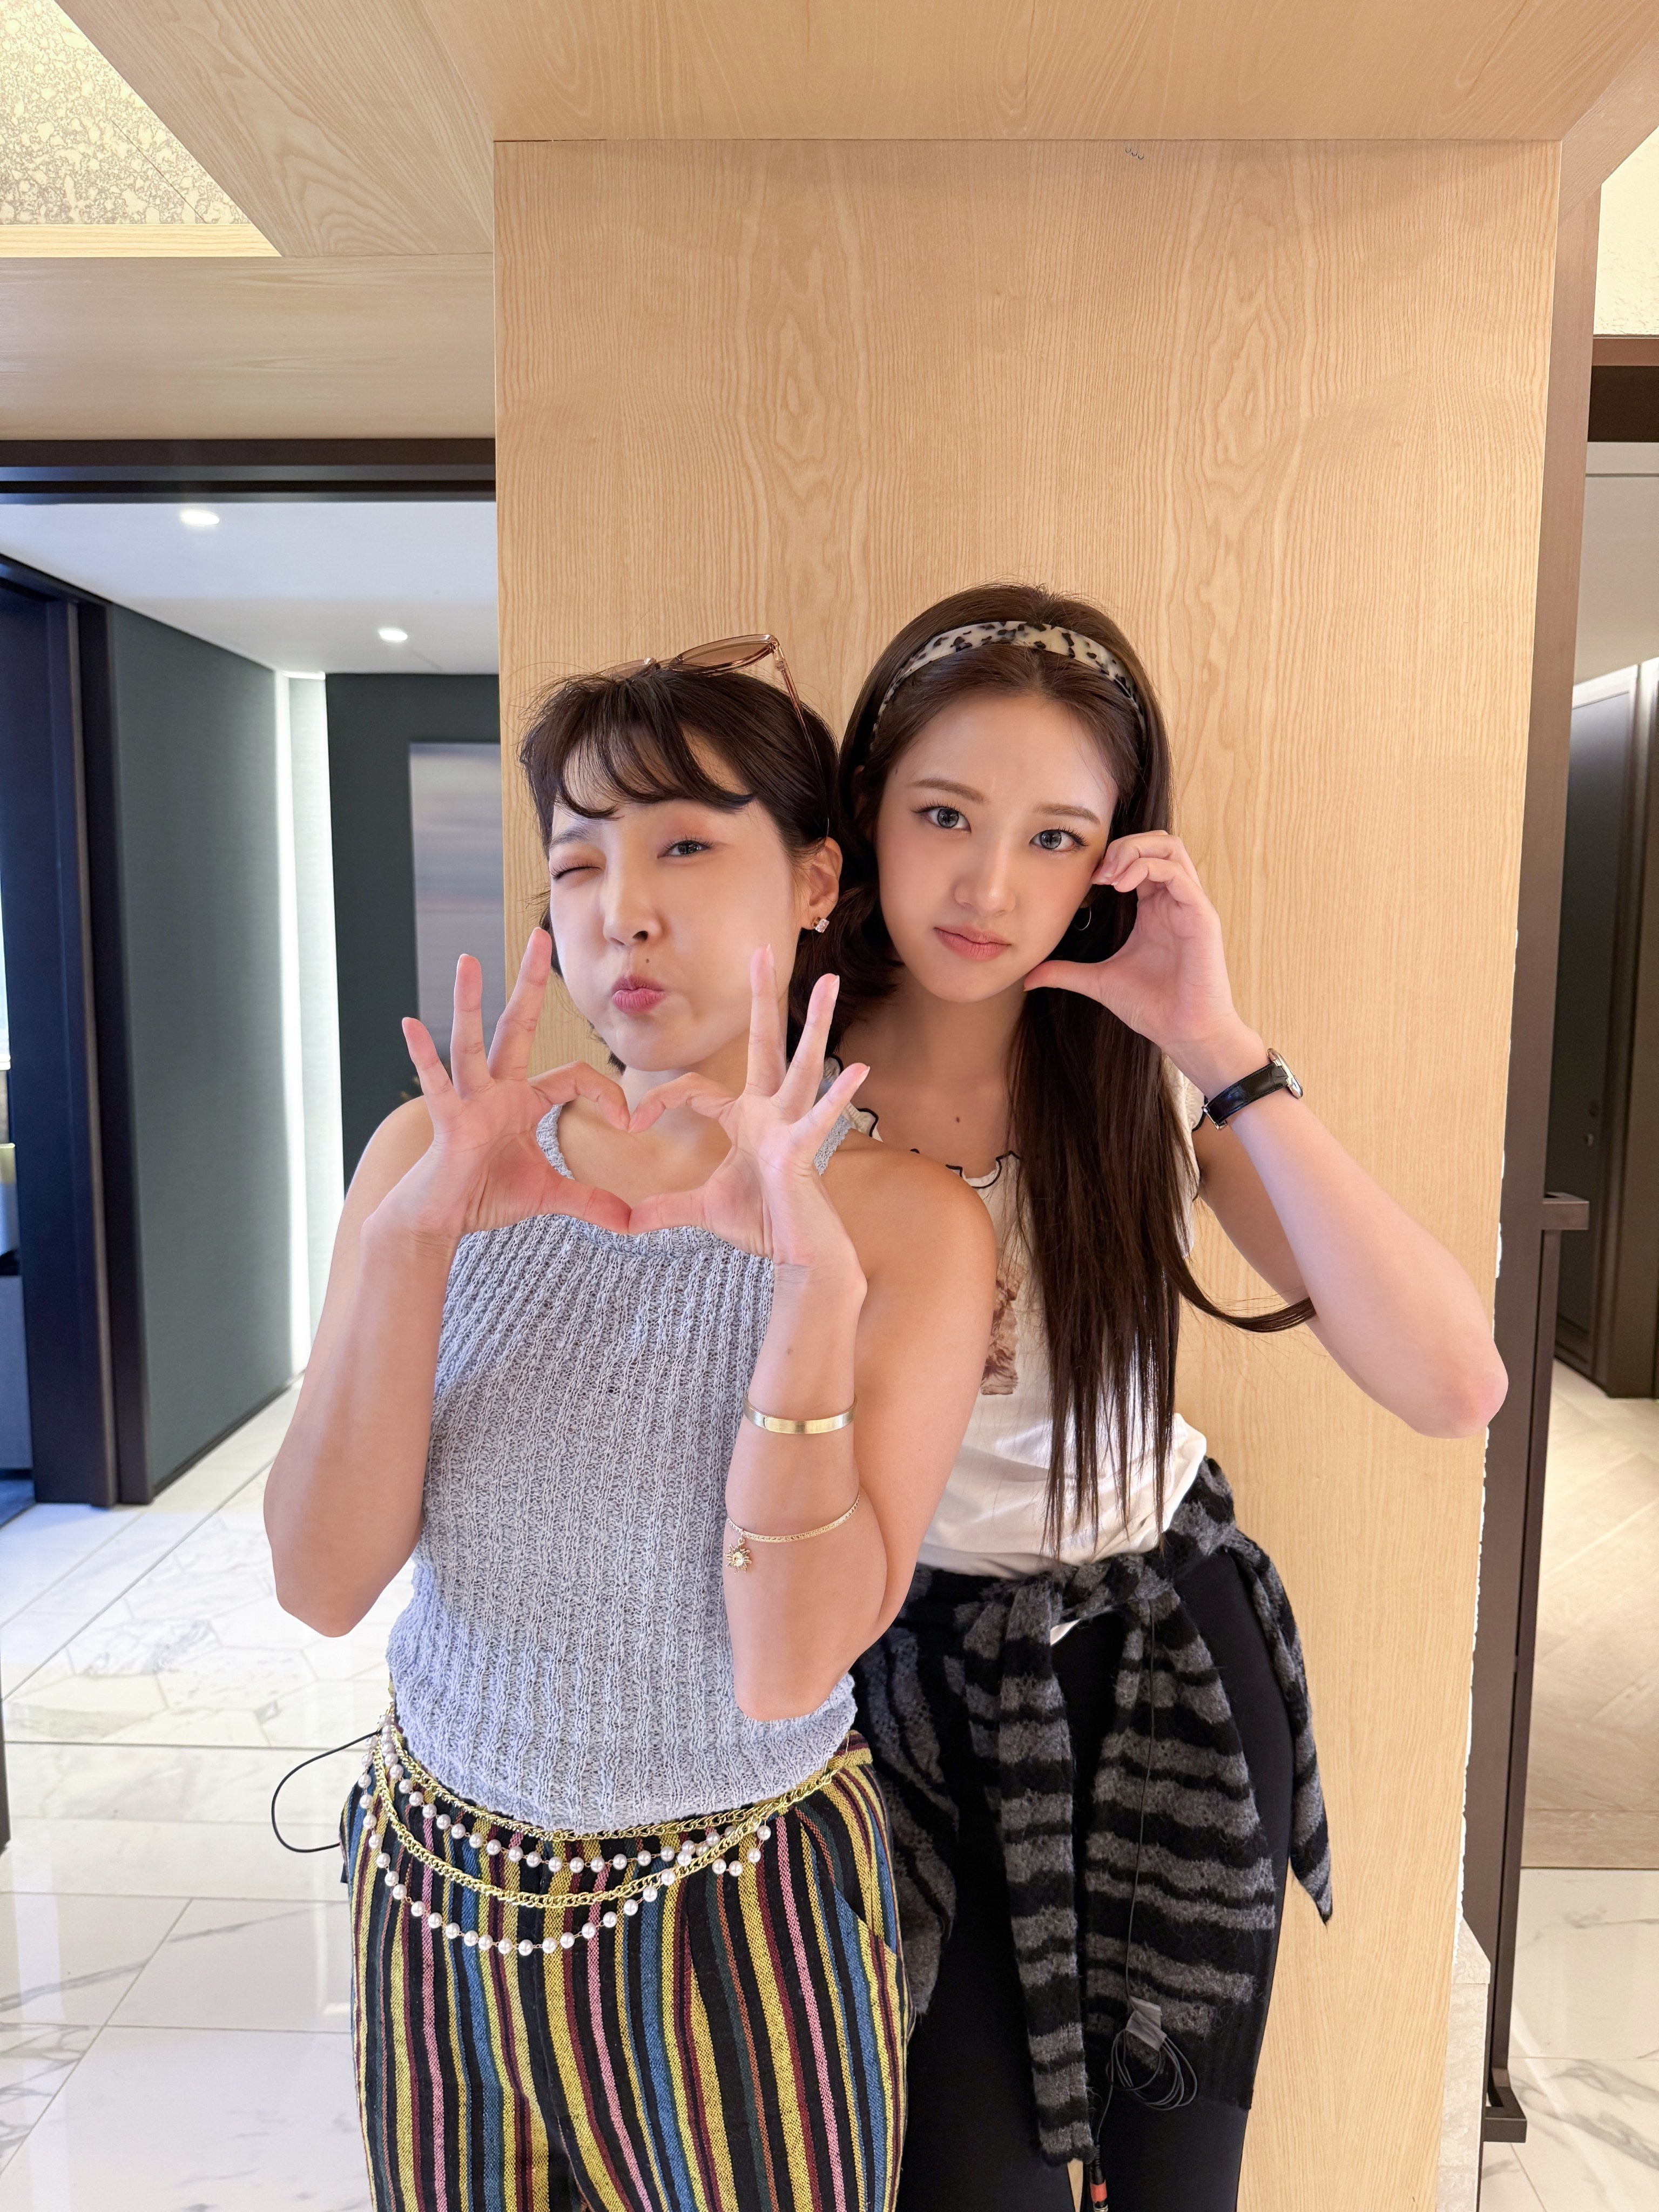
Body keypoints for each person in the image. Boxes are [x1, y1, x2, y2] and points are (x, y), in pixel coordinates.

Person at [799, 586, 1508, 2212]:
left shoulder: (1140, 1090)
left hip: (1164, 1673)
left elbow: (1454, 1381)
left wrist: (1214, 1037)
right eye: (945, 816)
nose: (990, 886)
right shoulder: (783, 1086)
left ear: (1114, 861)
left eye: (1055, 838)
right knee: (954, 2179)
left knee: (1178, 2180)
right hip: (895, 1690)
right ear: (867, 812)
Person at [264, 645, 996, 2212]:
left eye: (684, 845)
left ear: (815, 881)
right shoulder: (429, 1159)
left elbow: (788, 1665)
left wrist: (806, 1296)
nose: (624, 912)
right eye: (580, 862)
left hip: (743, 1920)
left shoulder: (908, 1227)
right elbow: (319, 1582)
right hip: (436, 1899)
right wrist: (412, 1244)